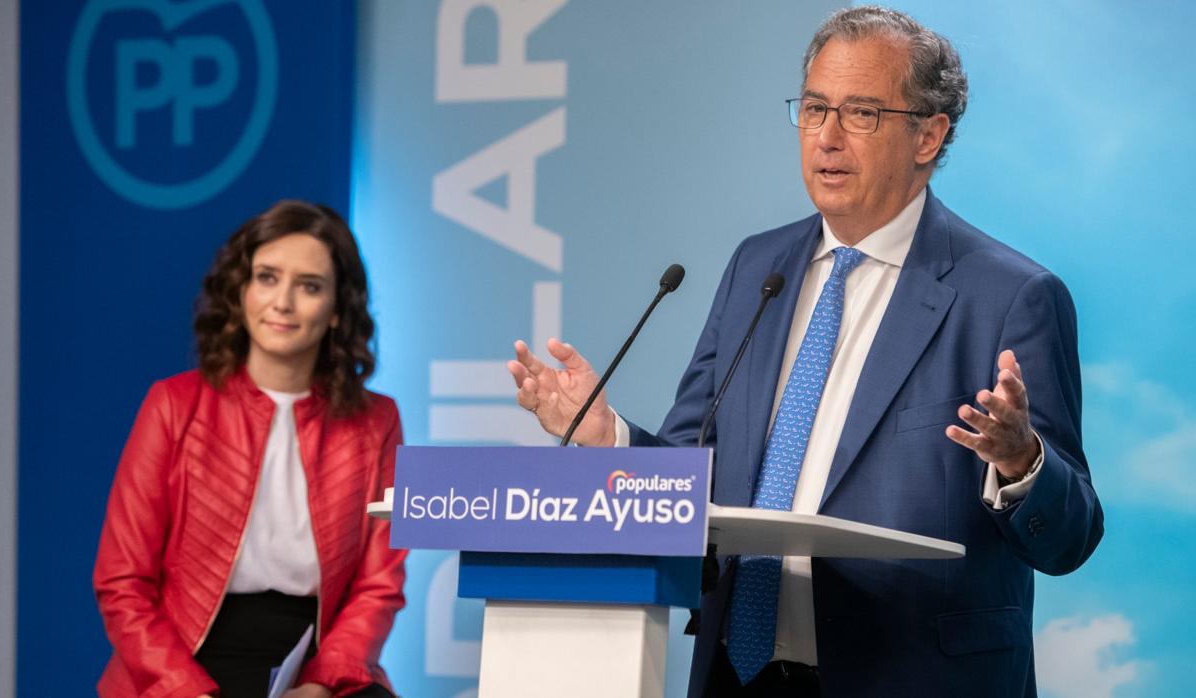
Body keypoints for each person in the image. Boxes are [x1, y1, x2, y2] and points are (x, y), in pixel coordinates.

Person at [508, 6, 1102, 697]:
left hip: (910, 678)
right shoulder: (759, 268)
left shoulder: (1010, 295)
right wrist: (605, 434)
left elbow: (1070, 537)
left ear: (928, 136)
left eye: (861, 114)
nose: (826, 137)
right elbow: (692, 476)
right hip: (739, 673)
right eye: (814, 108)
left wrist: (1022, 461)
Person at [94, 201, 406, 698]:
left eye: (309, 286)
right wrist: (182, 688)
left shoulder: (377, 421)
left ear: (336, 311)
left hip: (320, 661)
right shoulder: (173, 405)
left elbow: (379, 584)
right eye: (266, 277)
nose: (282, 301)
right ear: (241, 292)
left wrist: (323, 684)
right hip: (182, 662)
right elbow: (122, 581)